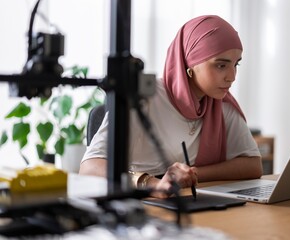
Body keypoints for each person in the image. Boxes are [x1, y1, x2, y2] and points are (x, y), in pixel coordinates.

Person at [79, 15, 263, 198]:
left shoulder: (221, 104)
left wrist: (192, 174)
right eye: (221, 65)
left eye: (235, 64)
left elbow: (252, 166)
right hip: (139, 203)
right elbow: (89, 168)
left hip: (186, 199)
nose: (232, 76)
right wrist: (151, 183)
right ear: (190, 64)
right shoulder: (145, 97)